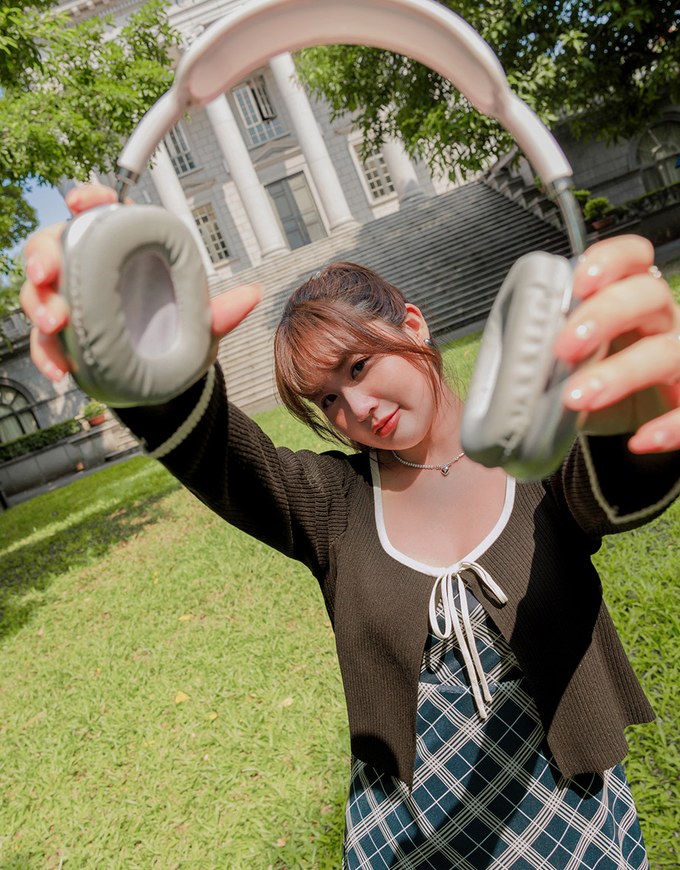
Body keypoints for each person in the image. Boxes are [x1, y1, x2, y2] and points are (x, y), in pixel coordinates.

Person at [21, 183, 680, 868]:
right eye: (328, 399)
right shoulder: (333, 504)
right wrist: (133, 352)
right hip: (407, 836)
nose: (358, 408)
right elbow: (213, 449)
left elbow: (622, 483)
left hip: (567, 816)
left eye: (360, 366)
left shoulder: (536, 452)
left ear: (414, 326)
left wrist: (644, 403)